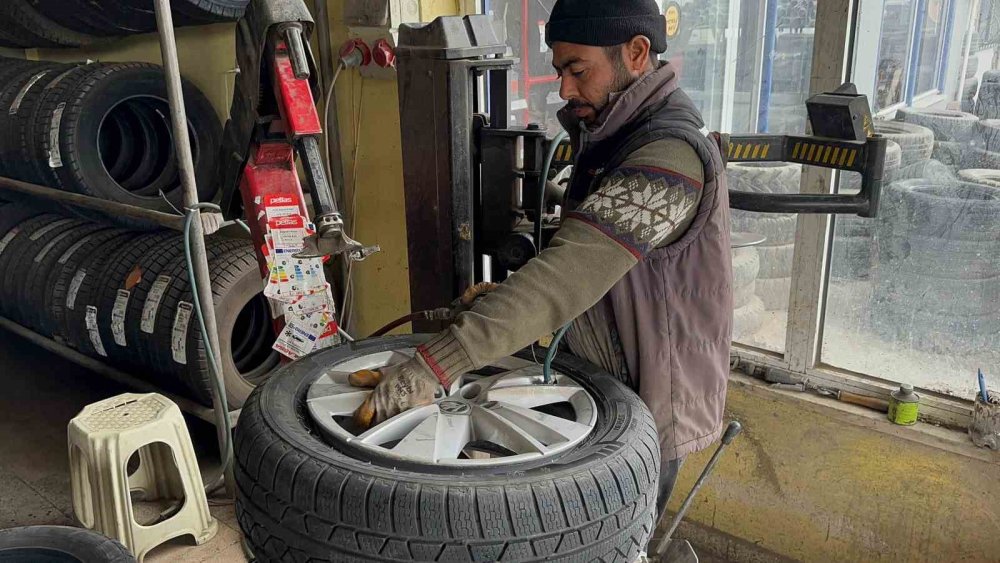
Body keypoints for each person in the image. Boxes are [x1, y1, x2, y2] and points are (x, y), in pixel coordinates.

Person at [349, 0, 733, 519]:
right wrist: (505, 303)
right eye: (558, 71)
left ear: (637, 53)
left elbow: (568, 276)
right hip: (601, 375)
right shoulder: (611, 135)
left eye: (578, 70)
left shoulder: (669, 157)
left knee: (611, 539)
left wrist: (435, 365)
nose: (565, 89)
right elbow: (597, 264)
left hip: (652, 398)